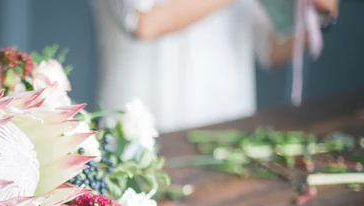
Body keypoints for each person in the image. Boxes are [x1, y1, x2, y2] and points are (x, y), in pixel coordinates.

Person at [92, 0, 339, 133]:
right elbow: (144, 22)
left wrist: (320, 15)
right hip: (139, 134)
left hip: (228, 132)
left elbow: (270, 49)